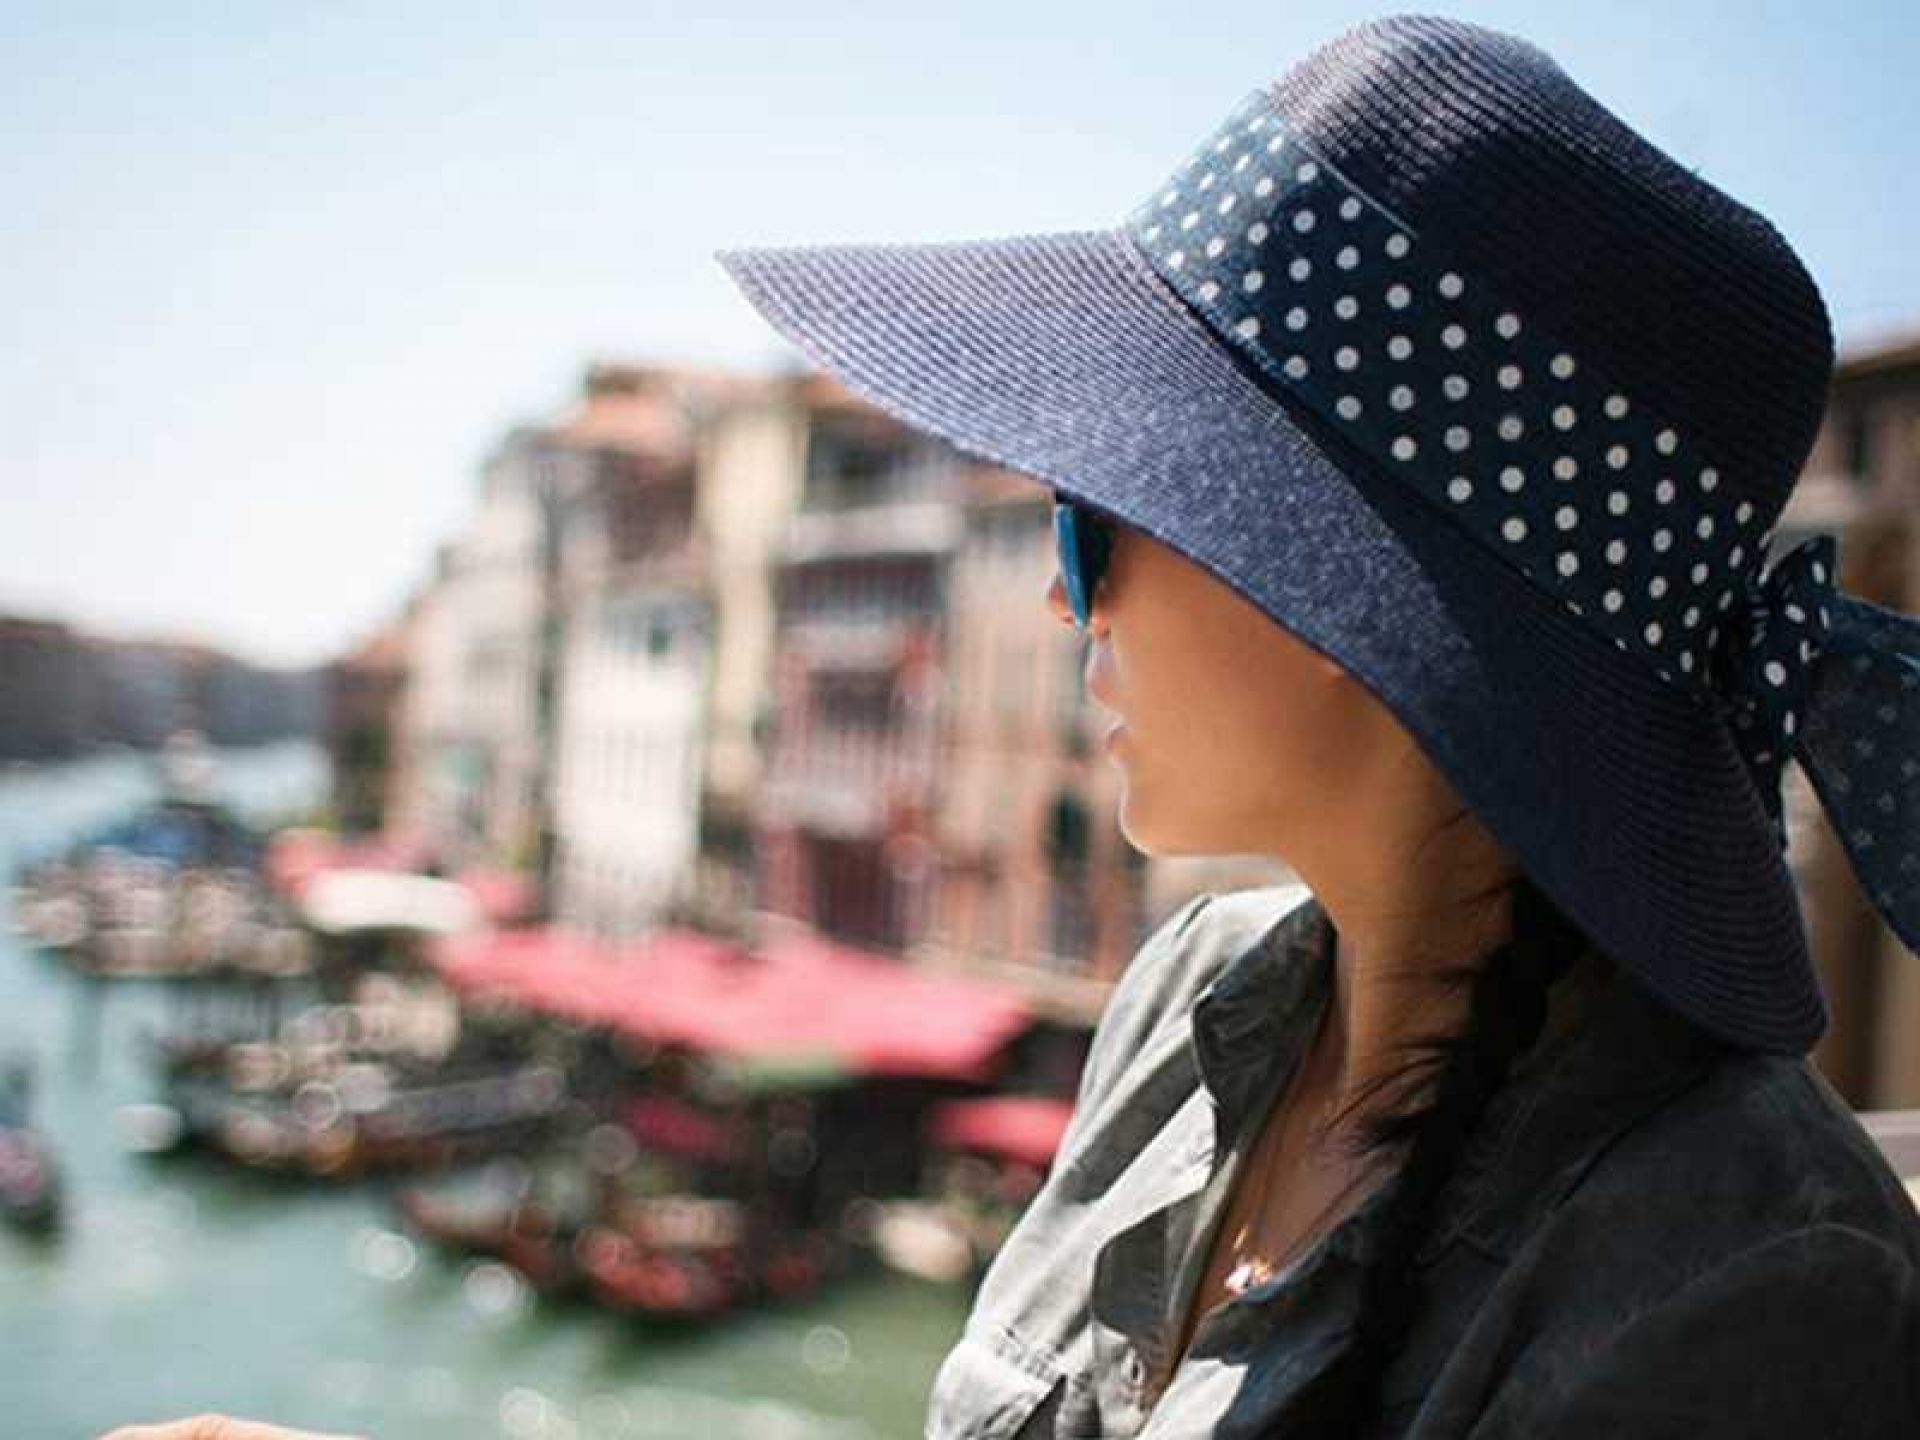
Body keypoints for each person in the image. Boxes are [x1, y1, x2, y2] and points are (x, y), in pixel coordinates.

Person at [716, 12, 1920, 1437]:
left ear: (1336, 588)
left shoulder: (1750, 1274)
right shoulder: (1187, 998)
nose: (1060, 597)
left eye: (1096, 514)